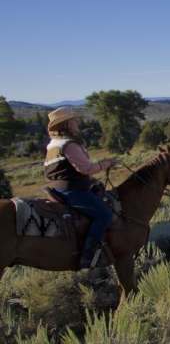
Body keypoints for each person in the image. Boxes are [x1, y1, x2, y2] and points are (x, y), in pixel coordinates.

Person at [43, 107, 117, 268]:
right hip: (72, 191)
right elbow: (86, 169)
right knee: (104, 215)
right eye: (74, 120)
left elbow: (66, 171)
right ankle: (88, 256)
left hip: (60, 189)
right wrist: (108, 163)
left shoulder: (53, 145)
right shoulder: (68, 145)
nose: (77, 123)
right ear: (67, 124)